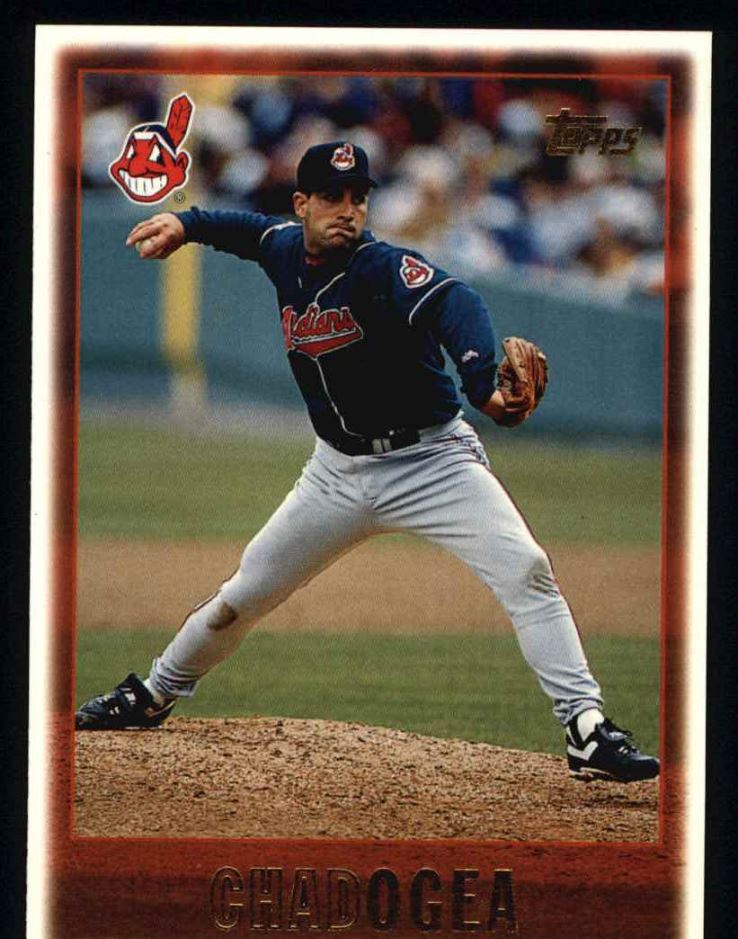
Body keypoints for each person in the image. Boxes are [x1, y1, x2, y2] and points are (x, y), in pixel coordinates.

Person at [76, 141, 659, 783]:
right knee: (242, 597)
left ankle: (585, 727)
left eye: (358, 197)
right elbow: (242, 229)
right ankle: (154, 692)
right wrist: (185, 223)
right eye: (331, 197)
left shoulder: (383, 267)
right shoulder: (283, 248)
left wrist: (482, 383)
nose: (347, 209)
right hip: (335, 474)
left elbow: (456, 302)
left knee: (527, 568)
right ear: (302, 205)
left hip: (433, 463)